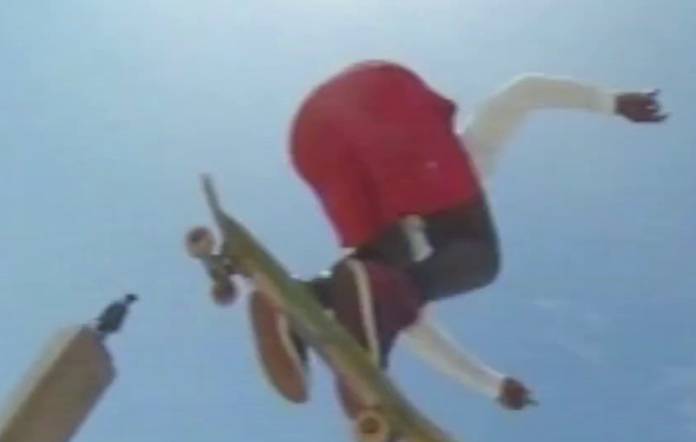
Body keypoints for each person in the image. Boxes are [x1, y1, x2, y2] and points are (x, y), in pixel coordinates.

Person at [225, 61, 667, 414]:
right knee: (476, 259)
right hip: (382, 96)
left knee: (377, 278)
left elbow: (411, 323)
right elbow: (522, 93)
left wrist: (492, 386)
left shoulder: (383, 267)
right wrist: (607, 101)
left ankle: (296, 301)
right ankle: (339, 297)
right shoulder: (469, 154)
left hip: (312, 139)